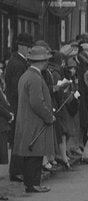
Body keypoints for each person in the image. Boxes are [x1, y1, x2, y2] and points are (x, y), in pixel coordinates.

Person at [12, 44, 56, 193]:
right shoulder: (35, 78)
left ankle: (30, 184)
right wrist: (49, 117)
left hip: (26, 120)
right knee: (35, 154)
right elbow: (37, 102)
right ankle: (33, 184)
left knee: (31, 154)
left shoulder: (26, 75)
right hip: (35, 121)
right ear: (43, 61)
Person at [5, 32, 33, 182]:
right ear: (21, 46)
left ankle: (19, 169)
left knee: (20, 137)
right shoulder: (17, 64)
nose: (30, 50)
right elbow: (18, 88)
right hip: (17, 106)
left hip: (18, 105)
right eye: (28, 46)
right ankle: (16, 171)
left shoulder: (19, 62)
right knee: (18, 138)